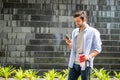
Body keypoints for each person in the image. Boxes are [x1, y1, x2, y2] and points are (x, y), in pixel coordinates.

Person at [65, 11, 102, 80]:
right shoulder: (75, 31)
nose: (76, 23)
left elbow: (98, 49)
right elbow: (73, 48)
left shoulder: (93, 32)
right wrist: (70, 44)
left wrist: (89, 56)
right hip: (74, 63)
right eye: (75, 21)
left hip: (85, 63)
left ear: (84, 19)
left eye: (78, 21)